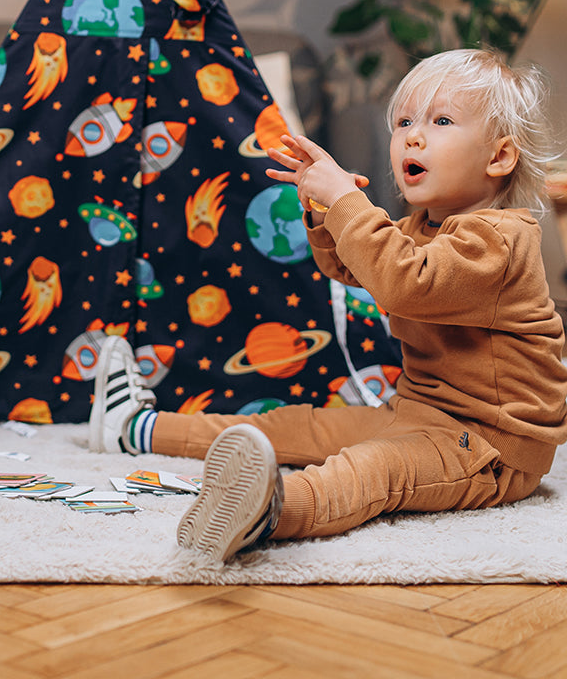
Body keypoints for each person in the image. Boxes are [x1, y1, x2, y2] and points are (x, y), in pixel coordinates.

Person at [89, 48, 567, 560]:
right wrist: (323, 210)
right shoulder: (419, 228)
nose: (413, 135)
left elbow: (404, 282)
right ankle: (137, 428)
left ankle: (271, 509)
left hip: (491, 444)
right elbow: (351, 266)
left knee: (372, 471)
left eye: (441, 120)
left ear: (498, 157)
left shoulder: (500, 239)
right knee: (290, 425)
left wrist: (348, 203)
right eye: (403, 121)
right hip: (418, 410)